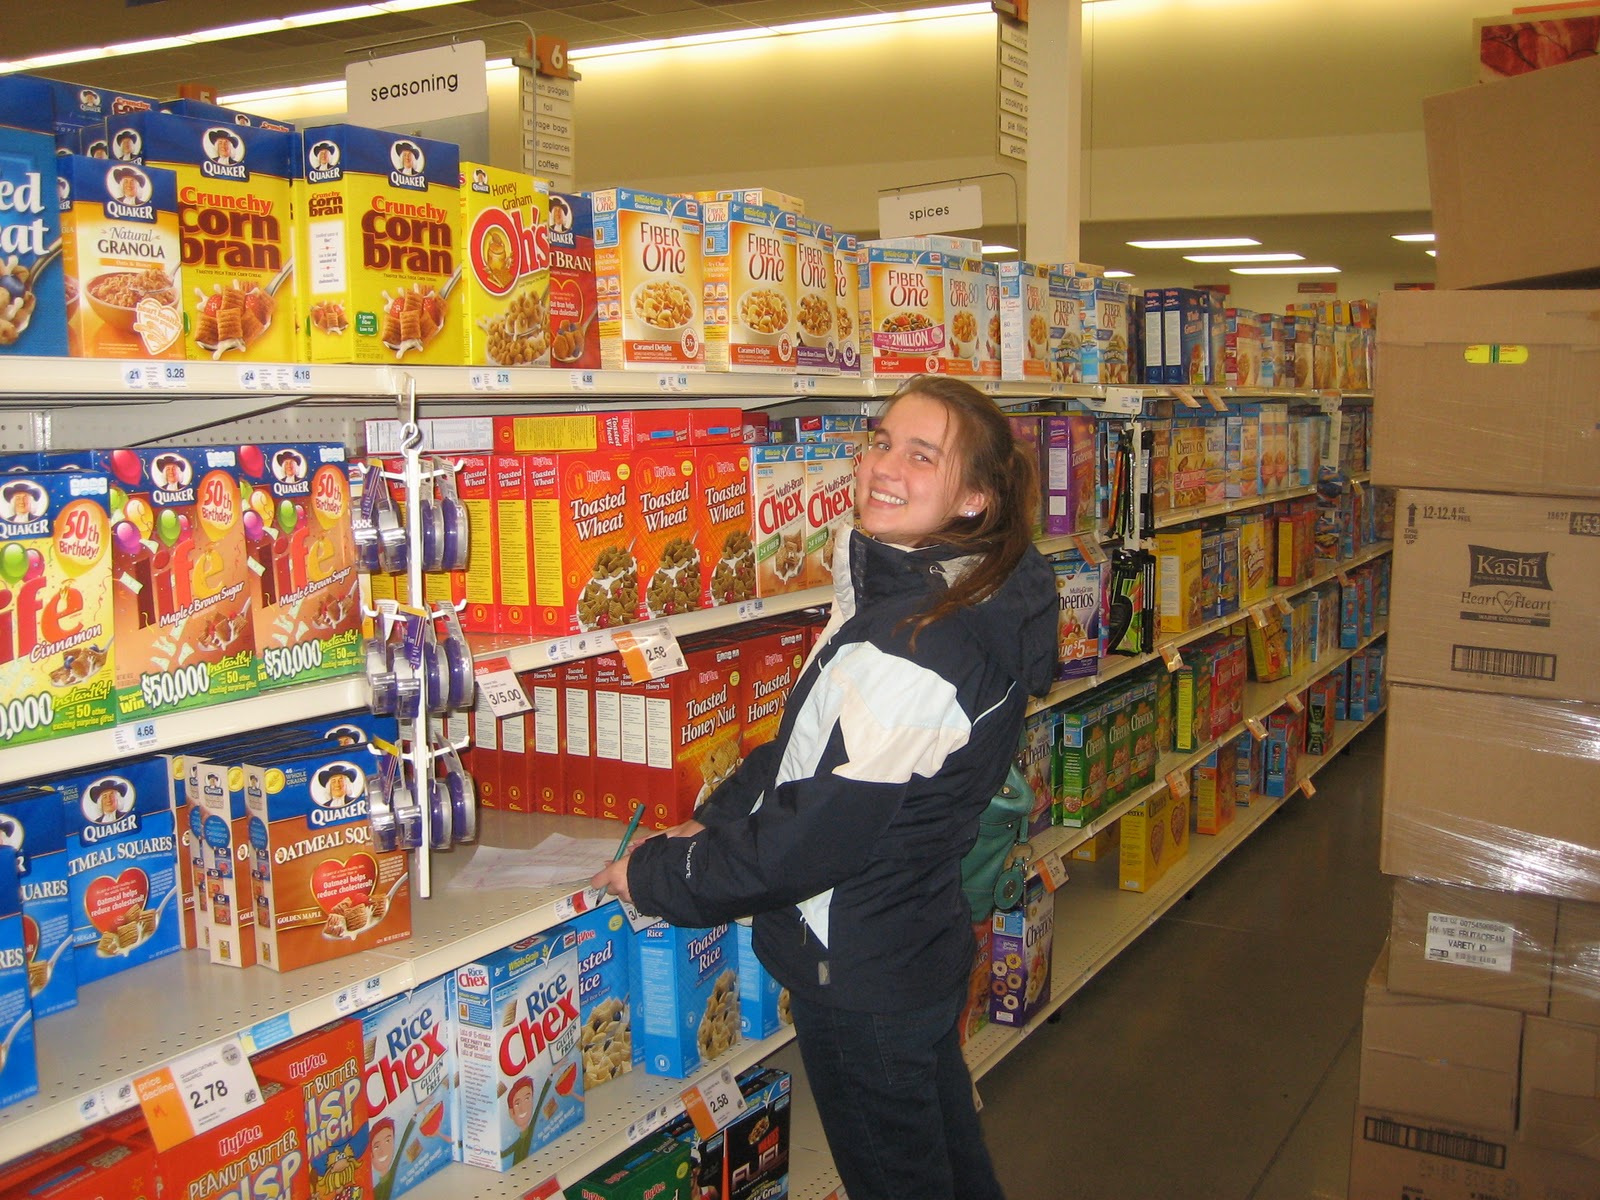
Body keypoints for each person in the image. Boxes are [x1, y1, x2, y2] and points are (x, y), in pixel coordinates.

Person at [592, 374, 1057, 1200]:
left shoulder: (918, 644)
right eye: (881, 441)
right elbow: (807, 750)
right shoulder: (937, 590)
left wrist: (657, 876)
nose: (883, 465)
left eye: (922, 455)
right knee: (947, 1165)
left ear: (975, 498)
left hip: (863, 972)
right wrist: (713, 819)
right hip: (912, 939)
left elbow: (808, 842)